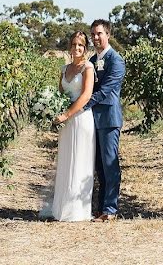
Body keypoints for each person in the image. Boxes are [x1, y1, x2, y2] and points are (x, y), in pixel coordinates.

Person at [41, 31, 96, 221]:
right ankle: (63, 208)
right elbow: (59, 95)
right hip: (66, 122)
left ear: (85, 48)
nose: (76, 48)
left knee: (80, 160)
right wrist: (52, 111)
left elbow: (86, 96)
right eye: (74, 45)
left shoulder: (88, 68)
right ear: (70, 47)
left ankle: (78, 211)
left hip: (81, 119)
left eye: (80, 45)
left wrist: (67, 114)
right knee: (66, 160)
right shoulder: (64, 69)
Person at [83, 19, 125, 222]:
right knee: (98, 165)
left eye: (99, 33)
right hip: (92, 119)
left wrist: (83, 105)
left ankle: (110, 209)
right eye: (93, 34)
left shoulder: (116, 60)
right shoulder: (91, 60)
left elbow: (106, 90)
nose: (96, 37)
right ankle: (100, 208)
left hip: (108, 118)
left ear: (108, 35)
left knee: (110, 164)